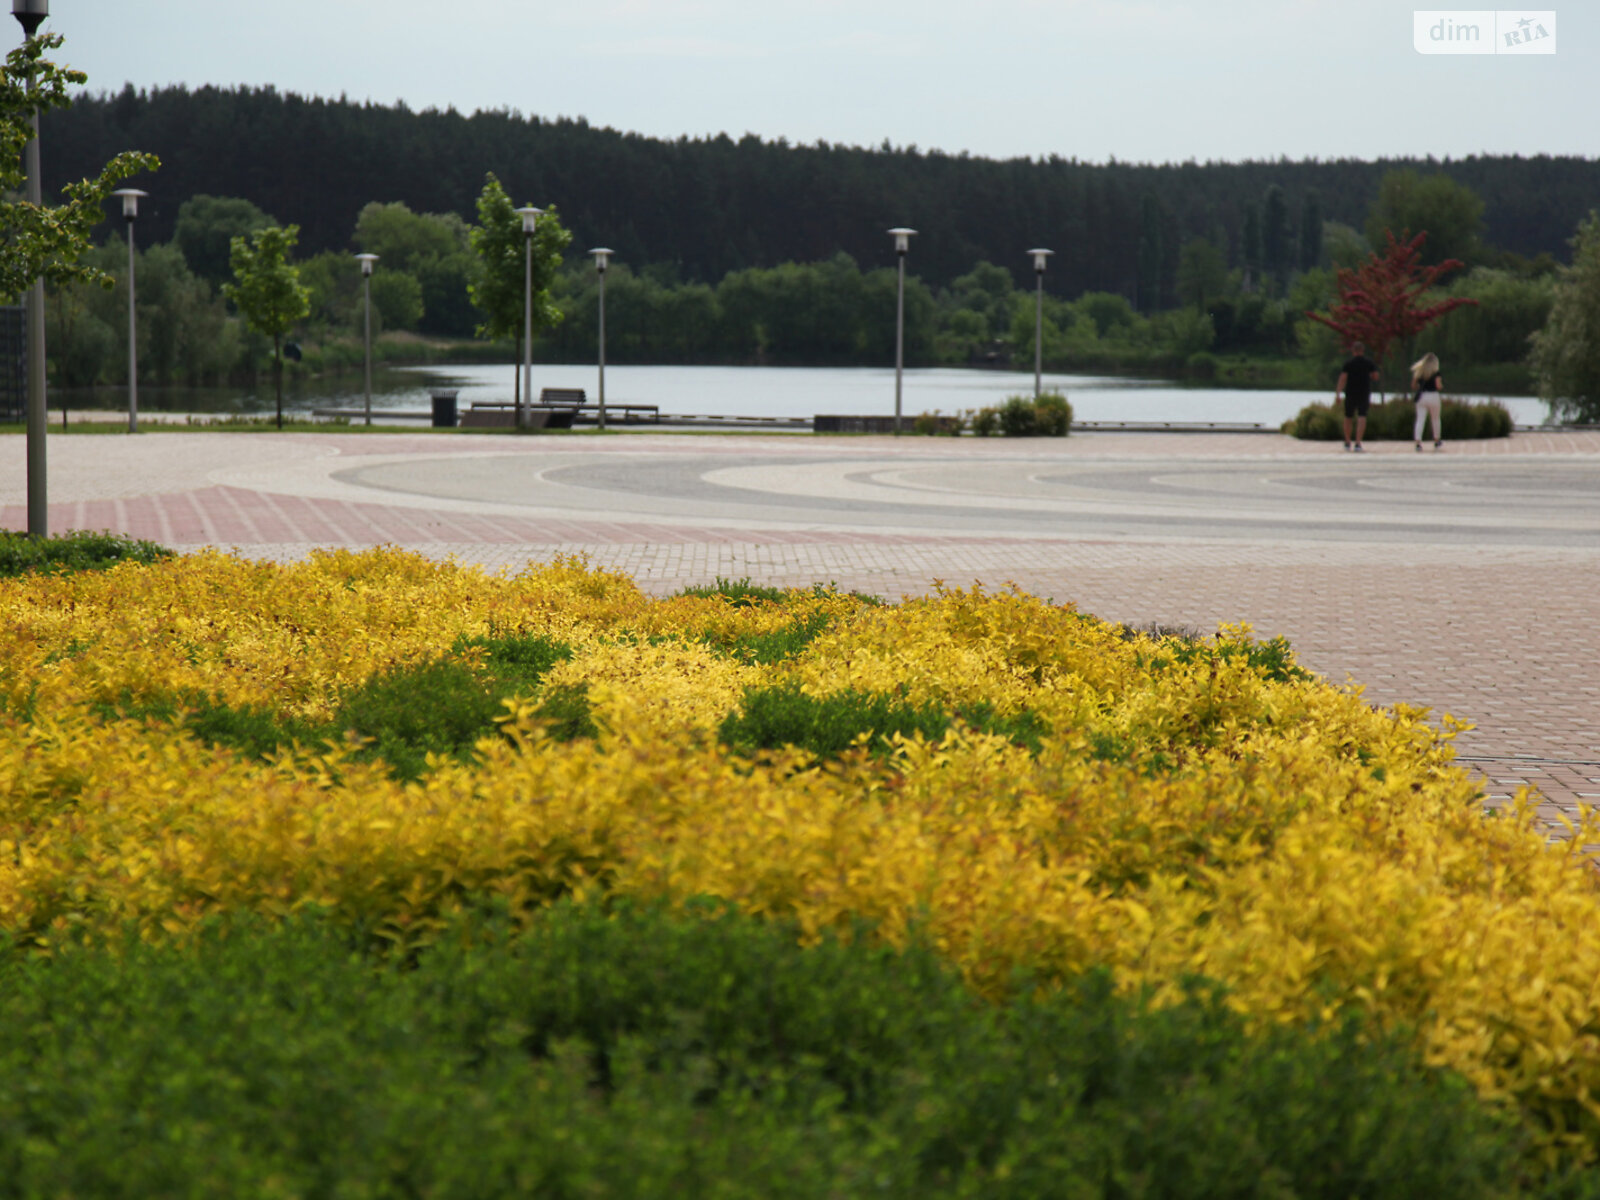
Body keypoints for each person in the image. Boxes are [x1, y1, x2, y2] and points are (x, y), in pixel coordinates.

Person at [1335, 342, 1380, 451]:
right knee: (1362, 416)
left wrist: (1338, 393)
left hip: (1350, 393)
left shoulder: (1349, 363)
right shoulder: (1369, 363)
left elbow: (1342, 378)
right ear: (1363, 350)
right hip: (1364, 393)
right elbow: (1376, 376)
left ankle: (1347, 442)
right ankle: (1358, 443)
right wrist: (1369, 376)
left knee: (1348, 416)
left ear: (1353, 351)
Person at [1411, 351, 1444, 451]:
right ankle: (1437, 440)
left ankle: (1418, 443)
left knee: (1420, 419)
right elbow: (1438, 386)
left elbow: (1413, 385)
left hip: (1422, 396)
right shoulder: (1436, 373)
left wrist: (1419, 386)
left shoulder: (1419, 372)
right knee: (1435, 419)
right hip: (1433, 396)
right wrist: (1441, 385)